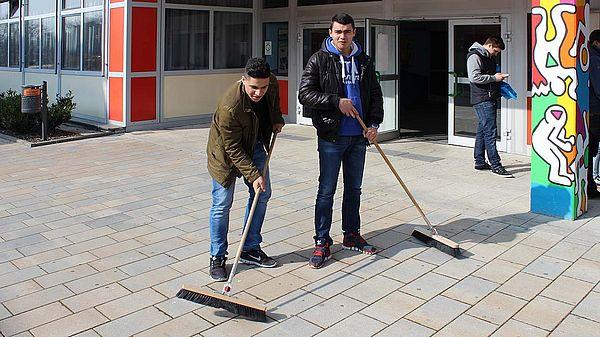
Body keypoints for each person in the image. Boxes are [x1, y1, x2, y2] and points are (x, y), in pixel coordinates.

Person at [298, 13, 384, 269]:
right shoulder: (319, 59)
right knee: (326, 191)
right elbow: (305, 94)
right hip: (331, 137)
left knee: (354, 190)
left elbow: (375, 95)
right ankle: (322, 241)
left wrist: (374, 125)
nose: (342, 36)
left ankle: (351, 235)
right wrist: (336, 101)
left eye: (346, 31)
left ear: (354, 32)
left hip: (358, 137)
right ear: (330, 32)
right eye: (337, 31)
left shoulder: (364, 61)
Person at [206, 58, 285, 281]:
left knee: (263, 194)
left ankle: (250, 248)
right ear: (243, 81)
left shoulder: (272, 84)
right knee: (222, 203)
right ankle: (217, 257)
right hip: (225, 156)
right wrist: (254, 175)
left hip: (255, 144)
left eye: (263, 87)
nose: (258, 92)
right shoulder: (229, 107)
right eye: (253, 87)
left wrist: (277, 118)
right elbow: (232, 148)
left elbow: (274, 102)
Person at [467, 36, 512, 177]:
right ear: (491, 45)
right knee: (490, 132)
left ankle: (480, 162)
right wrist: (495, 78)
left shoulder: (488, 57)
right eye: (496, 51)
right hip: (482, 98)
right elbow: (474, 77)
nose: (496, 54)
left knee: (483, 130)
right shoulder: (474, 56)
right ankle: (496, 165)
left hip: (489, 97)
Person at [587, 30, 600, 198]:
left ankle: (590, 186)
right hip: (595, 110)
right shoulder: (594, 58)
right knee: (591, 150)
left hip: (592, 109)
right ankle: (590, 187)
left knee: (591, 150)